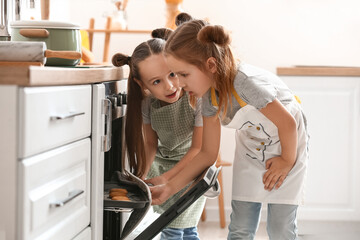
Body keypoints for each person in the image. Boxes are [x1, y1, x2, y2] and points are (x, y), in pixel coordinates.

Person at [150, 13, 309, 240]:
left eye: (184, 74)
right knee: (241, 227)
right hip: (252, 146)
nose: (180, 84)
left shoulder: (246, 83)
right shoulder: (208, 98)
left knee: (280, 227)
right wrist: (168, 188)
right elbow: (207, 154)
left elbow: (288, 123)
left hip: (289, 142)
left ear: (210, 65)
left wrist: (286, 161)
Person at [112, 28, 205, 240]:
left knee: (174, 227)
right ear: (141, 84)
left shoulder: (196, 98)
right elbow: (151, 145)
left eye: (172, 74)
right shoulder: (147, 104)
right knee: (184, 230)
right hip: (162, 165)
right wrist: (142, 175)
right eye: (156, 81)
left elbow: (197, 149)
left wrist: (167, 178)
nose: (170, 86)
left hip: (192, 169)